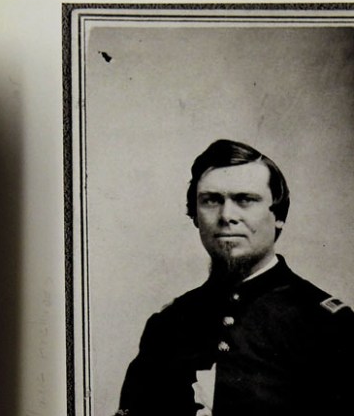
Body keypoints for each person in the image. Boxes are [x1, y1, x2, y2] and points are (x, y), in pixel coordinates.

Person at [116, 139, 354, 415]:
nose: (227, 215)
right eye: (211, 201)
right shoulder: (168, 326)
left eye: (245, 200)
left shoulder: (327, 326)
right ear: (194, 215)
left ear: (279, 215)